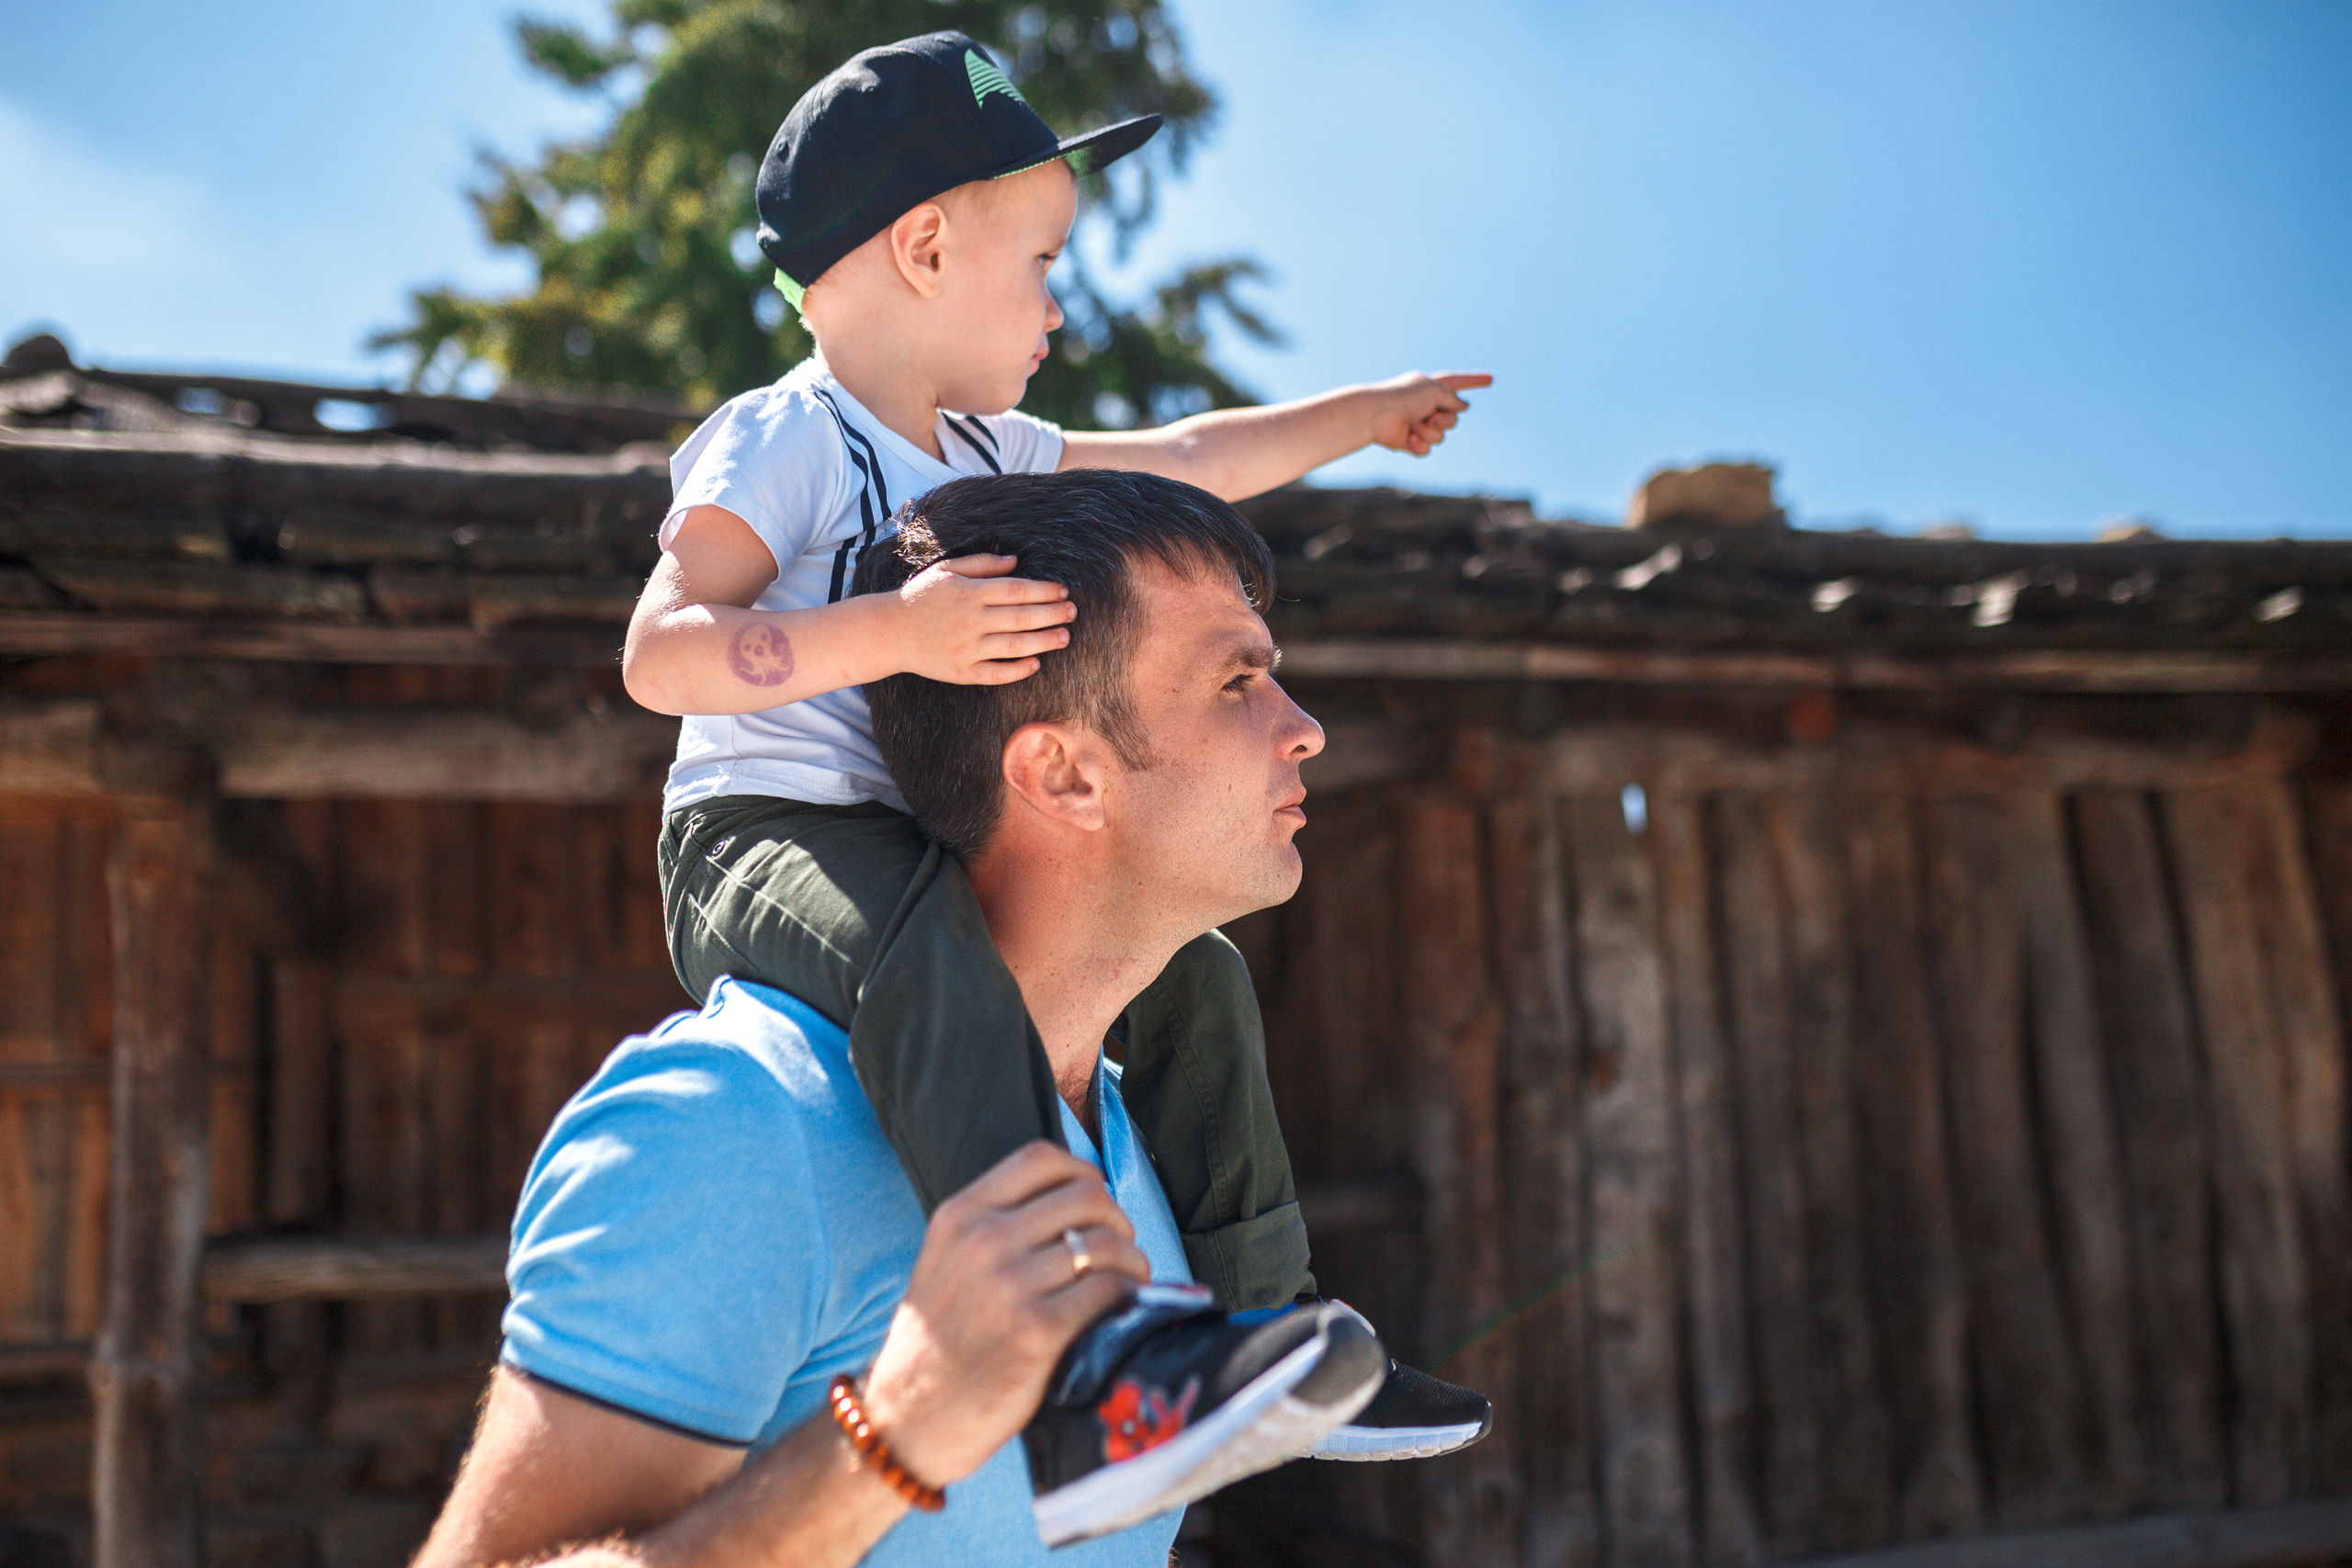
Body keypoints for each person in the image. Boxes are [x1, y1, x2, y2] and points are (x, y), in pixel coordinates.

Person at [624, 28, 1491, 1483]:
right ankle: (1076, 1363)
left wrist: (1364, 414)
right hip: (764, 830)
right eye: (1040, 265)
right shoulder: (783, 437)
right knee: (925, 951)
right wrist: (896, 632)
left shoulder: (987, 451)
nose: (1058, 307)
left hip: (917, 833)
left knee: (1197, 969)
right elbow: (662, 651)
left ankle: (1275, 1336)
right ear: (922, 248)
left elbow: (1188, 457)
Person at [416, 471, 1402, 1568]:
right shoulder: (739, 1122)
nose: (1305, 729)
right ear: (1063, 772)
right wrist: (900, 1433)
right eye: (1237, 682)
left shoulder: (1140, 1147)